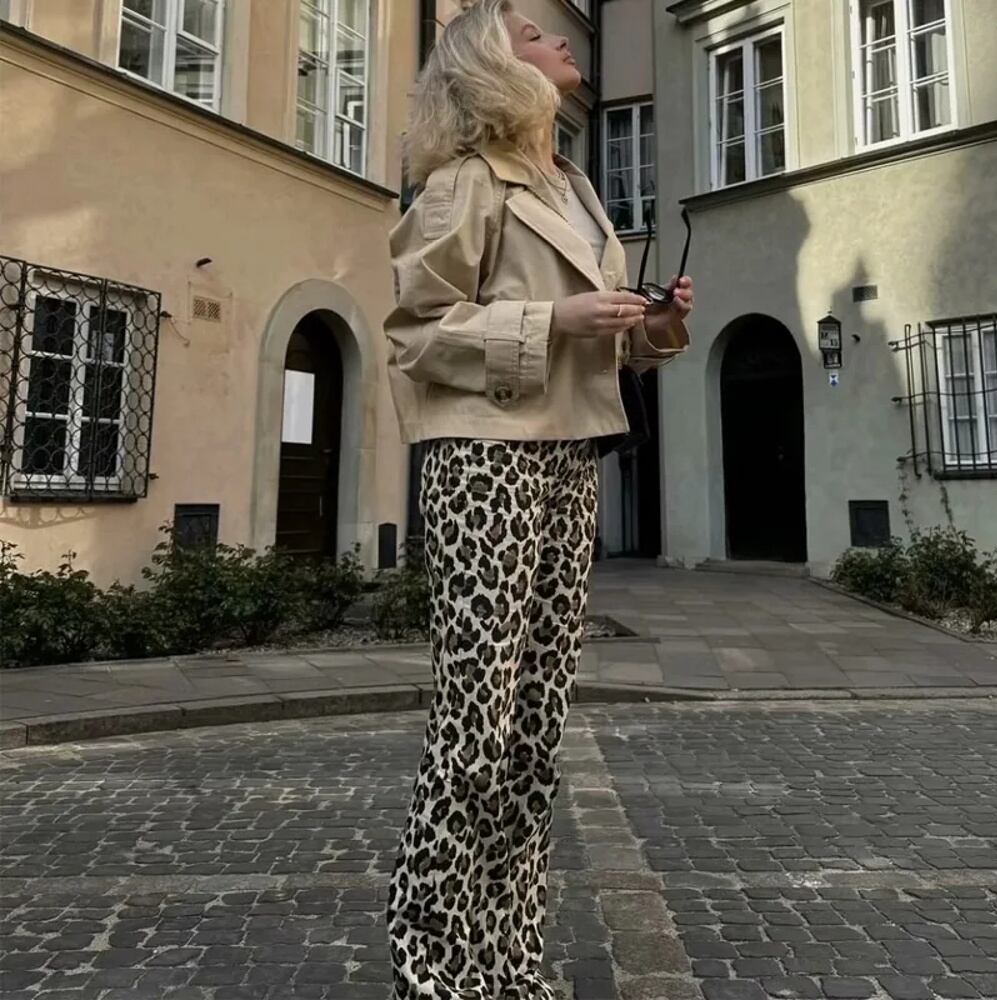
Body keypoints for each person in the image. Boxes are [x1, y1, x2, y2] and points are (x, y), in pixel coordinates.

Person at [383, 2, 694, 996]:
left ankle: (508, 961)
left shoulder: (575, 187)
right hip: (485, 458)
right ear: (494, 67)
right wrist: (554, 319)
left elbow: (594, 339)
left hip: (567, 456)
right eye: (530, 33)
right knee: (474, 726)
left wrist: (650, 324)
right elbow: (418, 335)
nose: (559, 37)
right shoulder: (463, 184)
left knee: (532, 736)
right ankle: (434, 963)